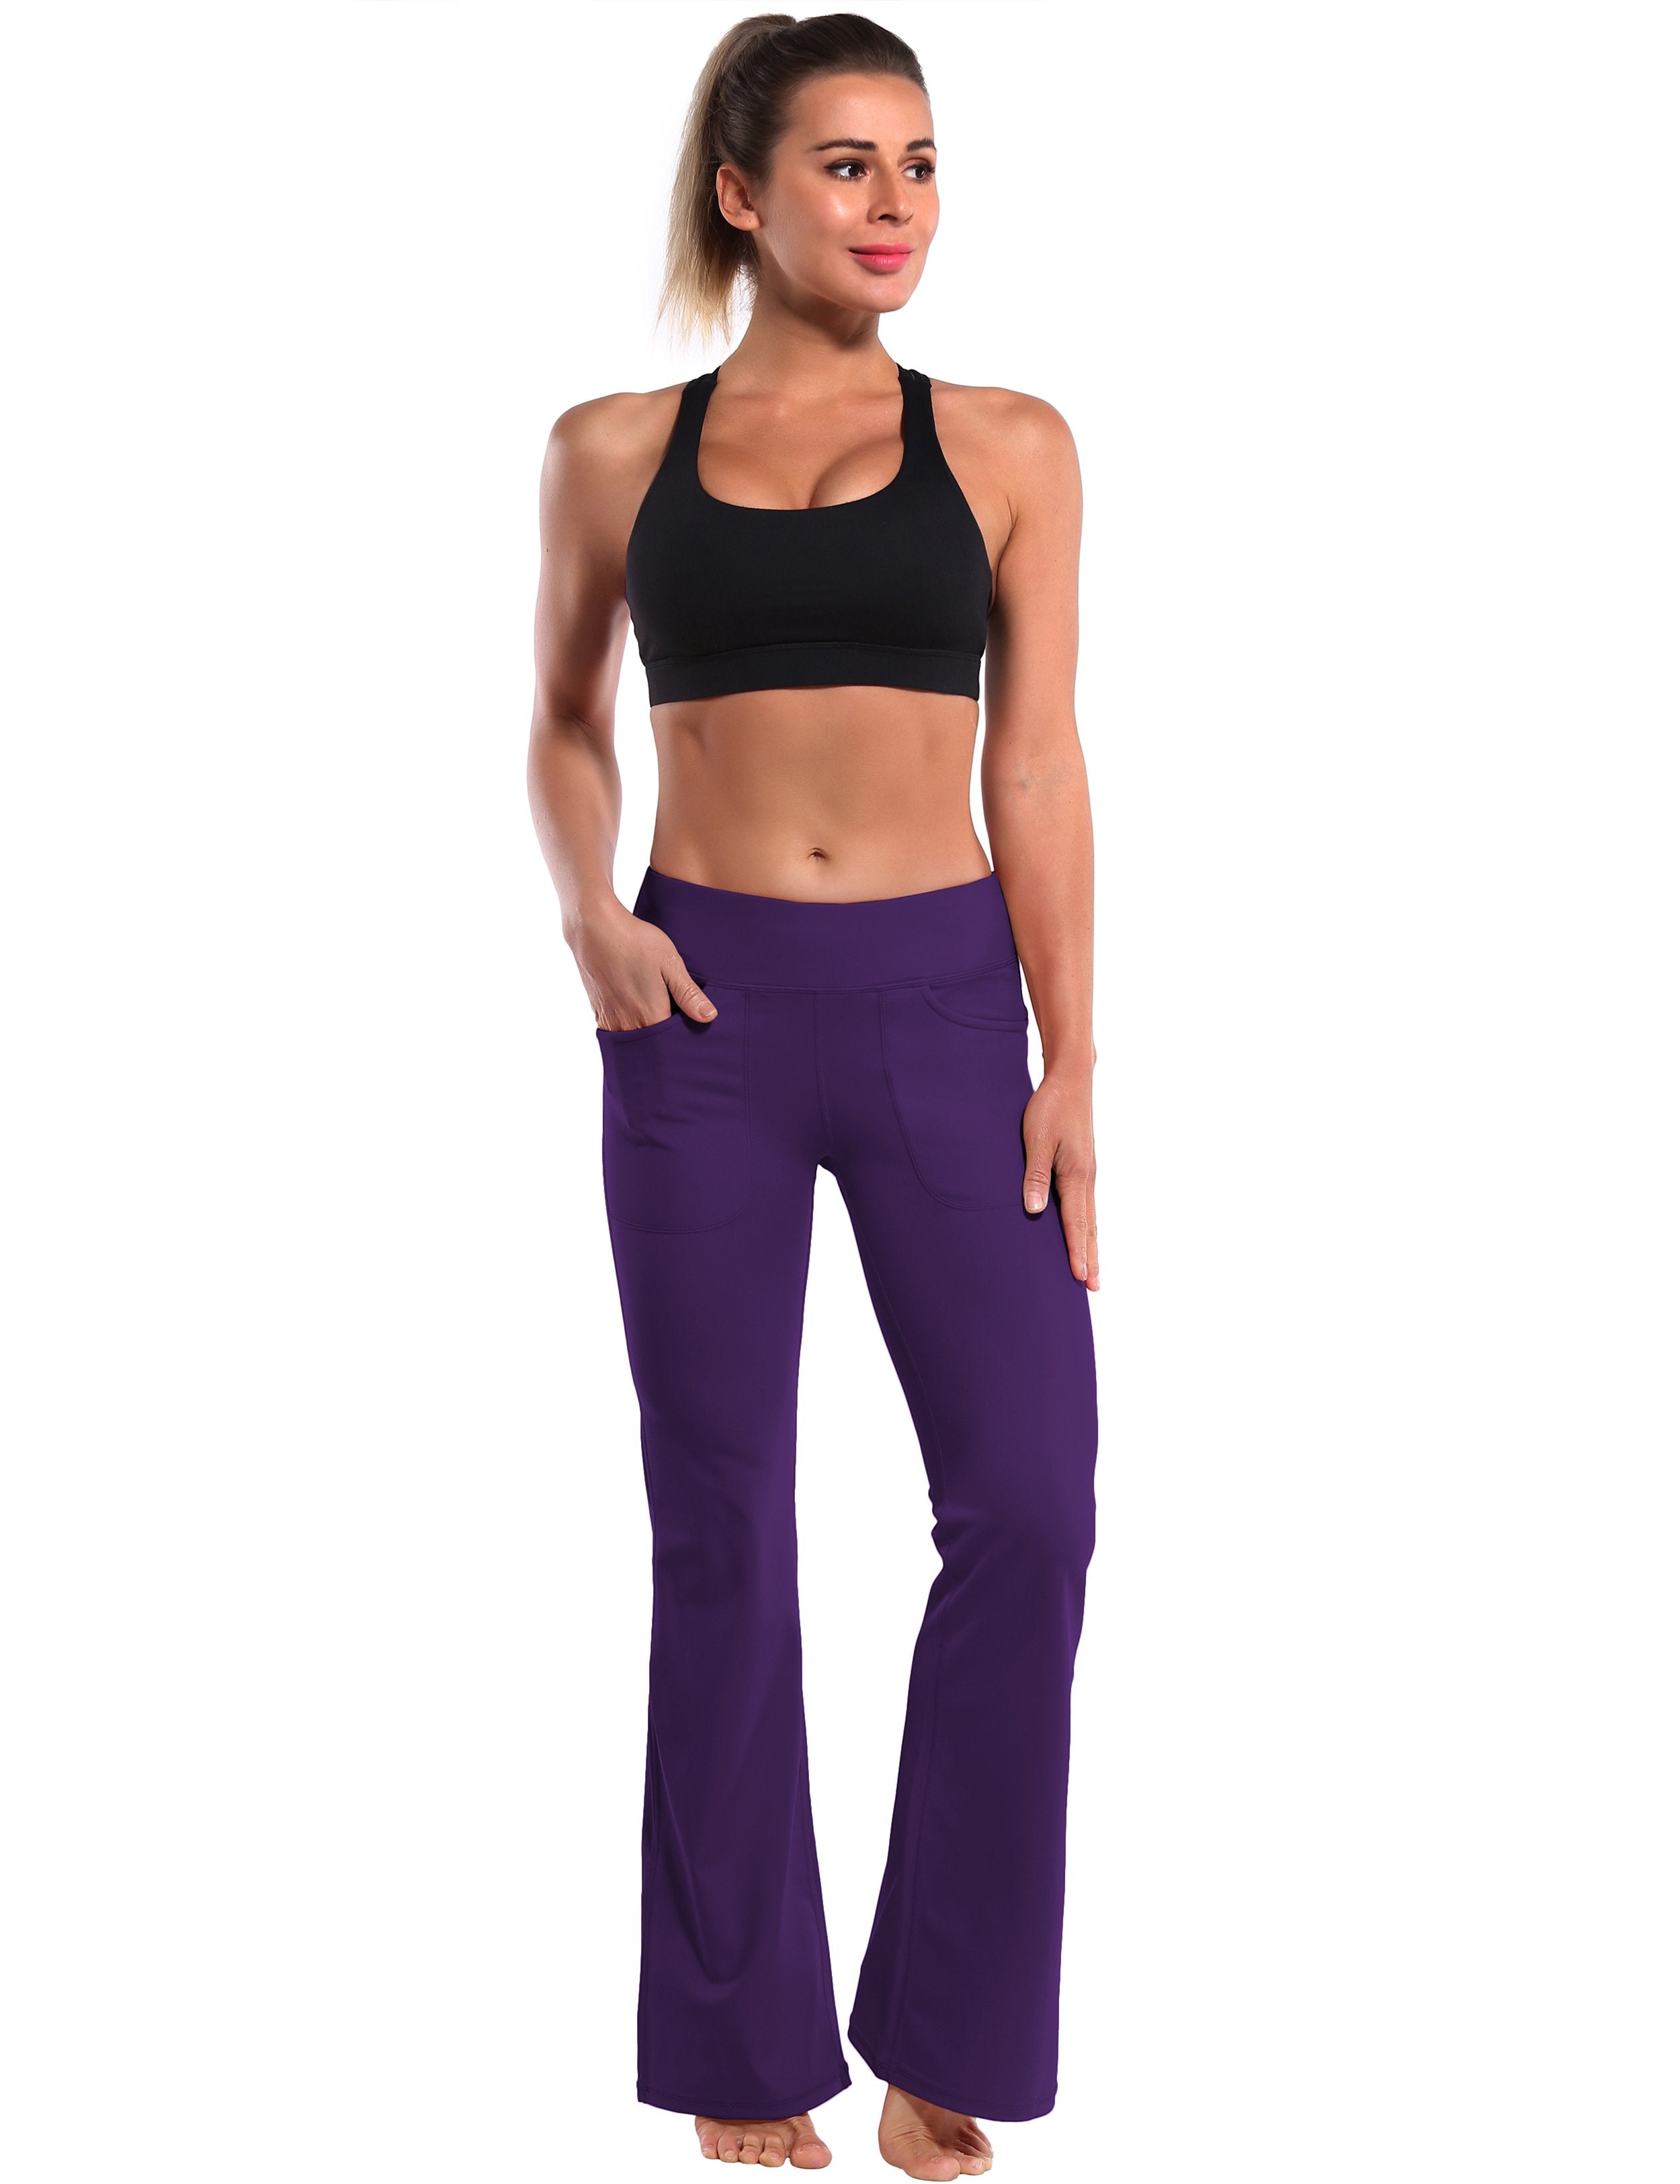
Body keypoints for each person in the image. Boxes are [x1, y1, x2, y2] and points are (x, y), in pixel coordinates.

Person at [526, 14, 1099, 2177]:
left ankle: (947, 2027)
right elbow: (559, 714)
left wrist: (1070, 1056)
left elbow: (1035, 757)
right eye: (848, 164)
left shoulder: (1012, 441)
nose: (895, 205)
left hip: (944, 1003)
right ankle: (739, 2043)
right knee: (724, 1517)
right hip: (702, 1011)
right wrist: (589, 912)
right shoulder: (610, 448)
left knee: (1029, 1503)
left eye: (921, 163)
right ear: (743, 192)